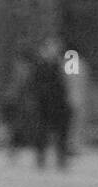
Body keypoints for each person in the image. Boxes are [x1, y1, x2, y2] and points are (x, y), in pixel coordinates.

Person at [29, 37, 72, 169]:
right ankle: (41, 158)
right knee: (41, 133)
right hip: (43, 104)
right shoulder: (39, 66)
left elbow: (68, 83)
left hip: (59, 104)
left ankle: (61, 159)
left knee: (61, 133)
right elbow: (34, 84)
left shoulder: (64, 64)